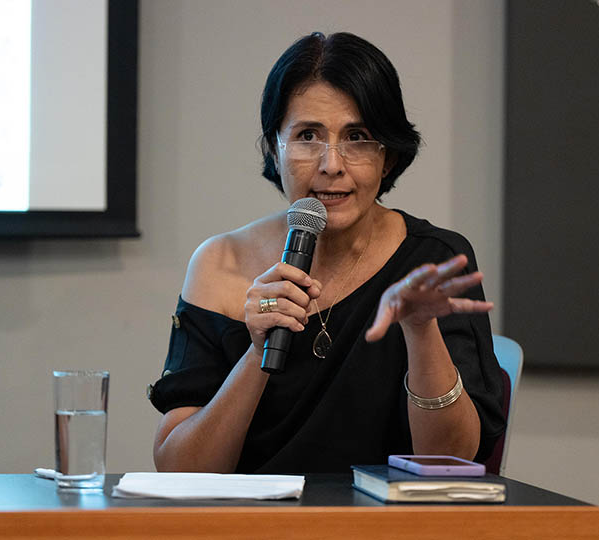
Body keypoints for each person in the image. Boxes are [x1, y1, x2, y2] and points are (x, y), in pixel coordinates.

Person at [148, 32, 505, 474]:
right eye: (307, 135)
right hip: (255, 514)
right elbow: (180, 471)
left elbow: (451, 459)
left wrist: (420, 329)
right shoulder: (220, 264)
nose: (332, 164)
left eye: (357, 137)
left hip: (383, 514)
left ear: (388, 157)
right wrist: (257, 353)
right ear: (274, 149)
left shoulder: (432, 262)